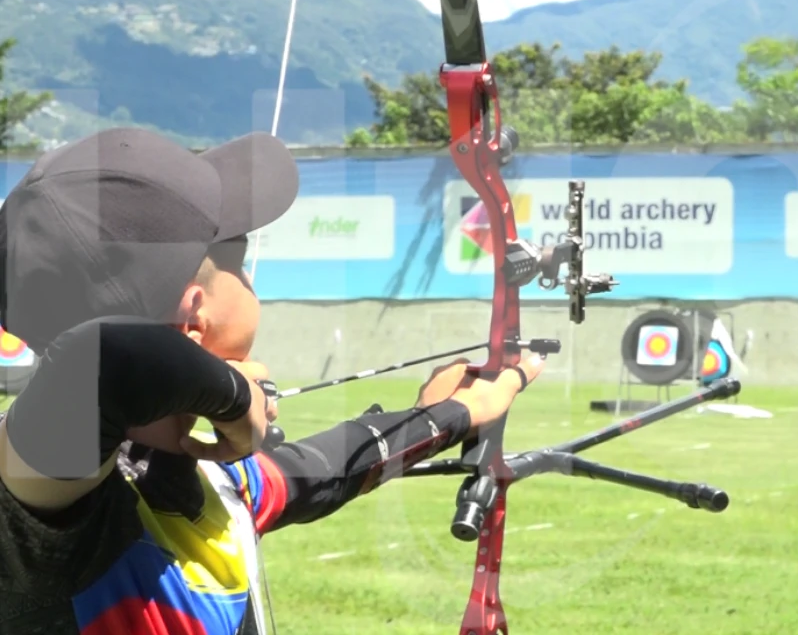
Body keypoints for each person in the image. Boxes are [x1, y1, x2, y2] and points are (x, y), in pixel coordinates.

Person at [0, 128, 543, 634]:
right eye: (236, 262)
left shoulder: (204, 471)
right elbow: (107, 363)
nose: (250, 277)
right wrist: (236, 400)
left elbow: (324, 470)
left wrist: (454, 413)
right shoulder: (48, 503)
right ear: (195, 316)